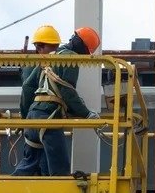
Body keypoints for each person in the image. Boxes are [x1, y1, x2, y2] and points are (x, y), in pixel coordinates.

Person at [13, 27, 101, 177]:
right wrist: (86, 113)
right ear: (84, 49)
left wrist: (25, 119)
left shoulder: (49, 57)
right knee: (59, 171)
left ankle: (7, 190)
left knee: (31, 164)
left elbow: (28, 86)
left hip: (33, 116)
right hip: (49, 117)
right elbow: (67, 90)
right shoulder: (71, 58)